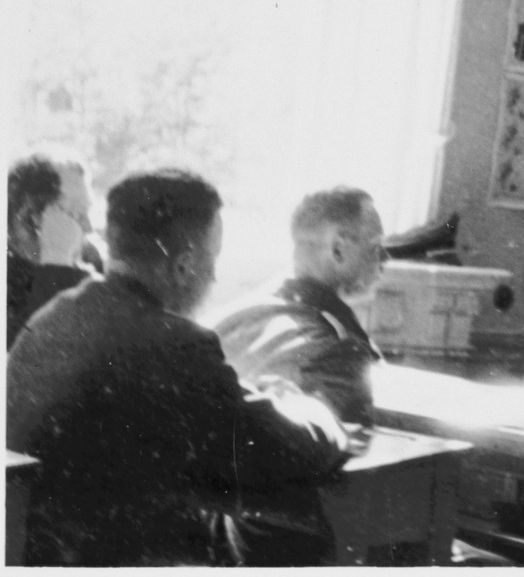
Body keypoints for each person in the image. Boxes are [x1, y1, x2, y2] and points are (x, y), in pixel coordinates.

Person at [6, 167, 349, 565]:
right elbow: (290, 449)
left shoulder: (52, 317)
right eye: (212, 259)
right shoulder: (174, 343)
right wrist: (313, 408)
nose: (215, 275)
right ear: (184, 266)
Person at [213, 186, 387, 427]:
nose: (385, 259)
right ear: (338, 249)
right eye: (376, 247)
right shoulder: (341, 350)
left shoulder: (229, 317)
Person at [7, 148, 96, 348]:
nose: (89, 227)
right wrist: (56, 260)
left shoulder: (90, 259)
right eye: (77, 213)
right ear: (30, 218)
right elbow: (42, 356)